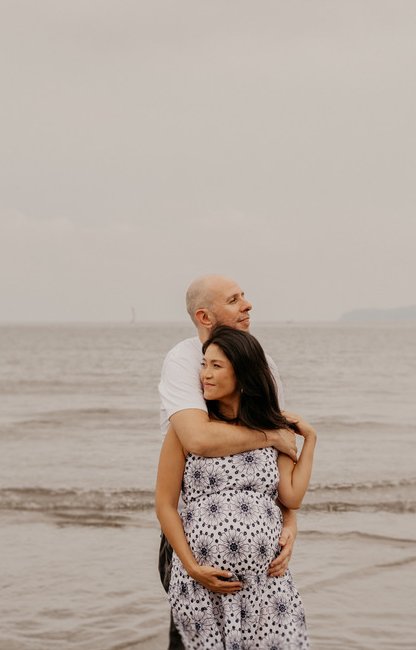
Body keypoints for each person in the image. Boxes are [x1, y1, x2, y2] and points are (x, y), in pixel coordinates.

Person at [157, 274, 299, 649]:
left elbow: (280, 464)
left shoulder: (262, 363)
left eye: (243, 296)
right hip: (195, 553)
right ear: (205, 317)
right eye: (235, 299)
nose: (248, 305)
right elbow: (200, 439)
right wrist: (270, 433)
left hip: (263, 576)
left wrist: (291, 523)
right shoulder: (183, 360)